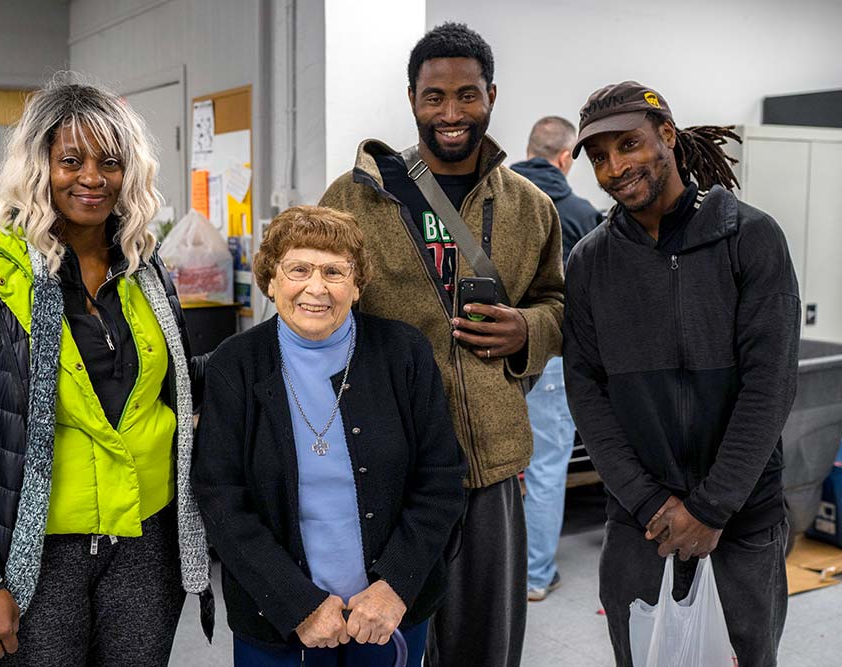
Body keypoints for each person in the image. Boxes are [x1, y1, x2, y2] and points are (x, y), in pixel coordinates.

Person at [0, 76, 210, 667]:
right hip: (33, 554)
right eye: (72, 160)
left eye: (110, 162)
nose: (92, 178)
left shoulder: (149, 272)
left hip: (146, 549)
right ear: (39, 166)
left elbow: (173, 388)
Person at [320, 23, 564, 667]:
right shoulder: (357, 198)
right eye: (434, 97)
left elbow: (558, 302)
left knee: (485, 643)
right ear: (411, 99)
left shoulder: (532, 207)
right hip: (382, 464)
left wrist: (527, 331)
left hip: (489, 465)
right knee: (383, 642)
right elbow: (305, 306)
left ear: (491, 95)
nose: (450, 114)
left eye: (467, 95)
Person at [563, 81, 800, 666]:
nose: (615, 167)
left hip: (743, 520)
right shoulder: (591, 261)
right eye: (599, 156)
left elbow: (770, 384)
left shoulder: (750, 237)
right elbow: (586, 390)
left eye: (629, 145)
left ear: (666, 136)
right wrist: (648, 504)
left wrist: (711, 508)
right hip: (640, 523)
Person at [192, 205, 467, 667]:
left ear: (357, 286)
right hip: (275, 614)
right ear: (271, 279)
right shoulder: (235, 364)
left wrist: (394, 585)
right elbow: (220, 497)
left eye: (334, 271)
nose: (315, 287)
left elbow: (440, 480)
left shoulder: (405, 353)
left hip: (387, 614)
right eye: (298, 268)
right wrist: (295, 602)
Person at [509, 116, 601, 602]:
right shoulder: (581, 212)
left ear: (529, 149)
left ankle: (491, 570)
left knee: (492, 466)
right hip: (551, 356)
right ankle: (535, 576)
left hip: (489, 352)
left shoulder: (495, 200)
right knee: (545, 466)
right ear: (566, 158)